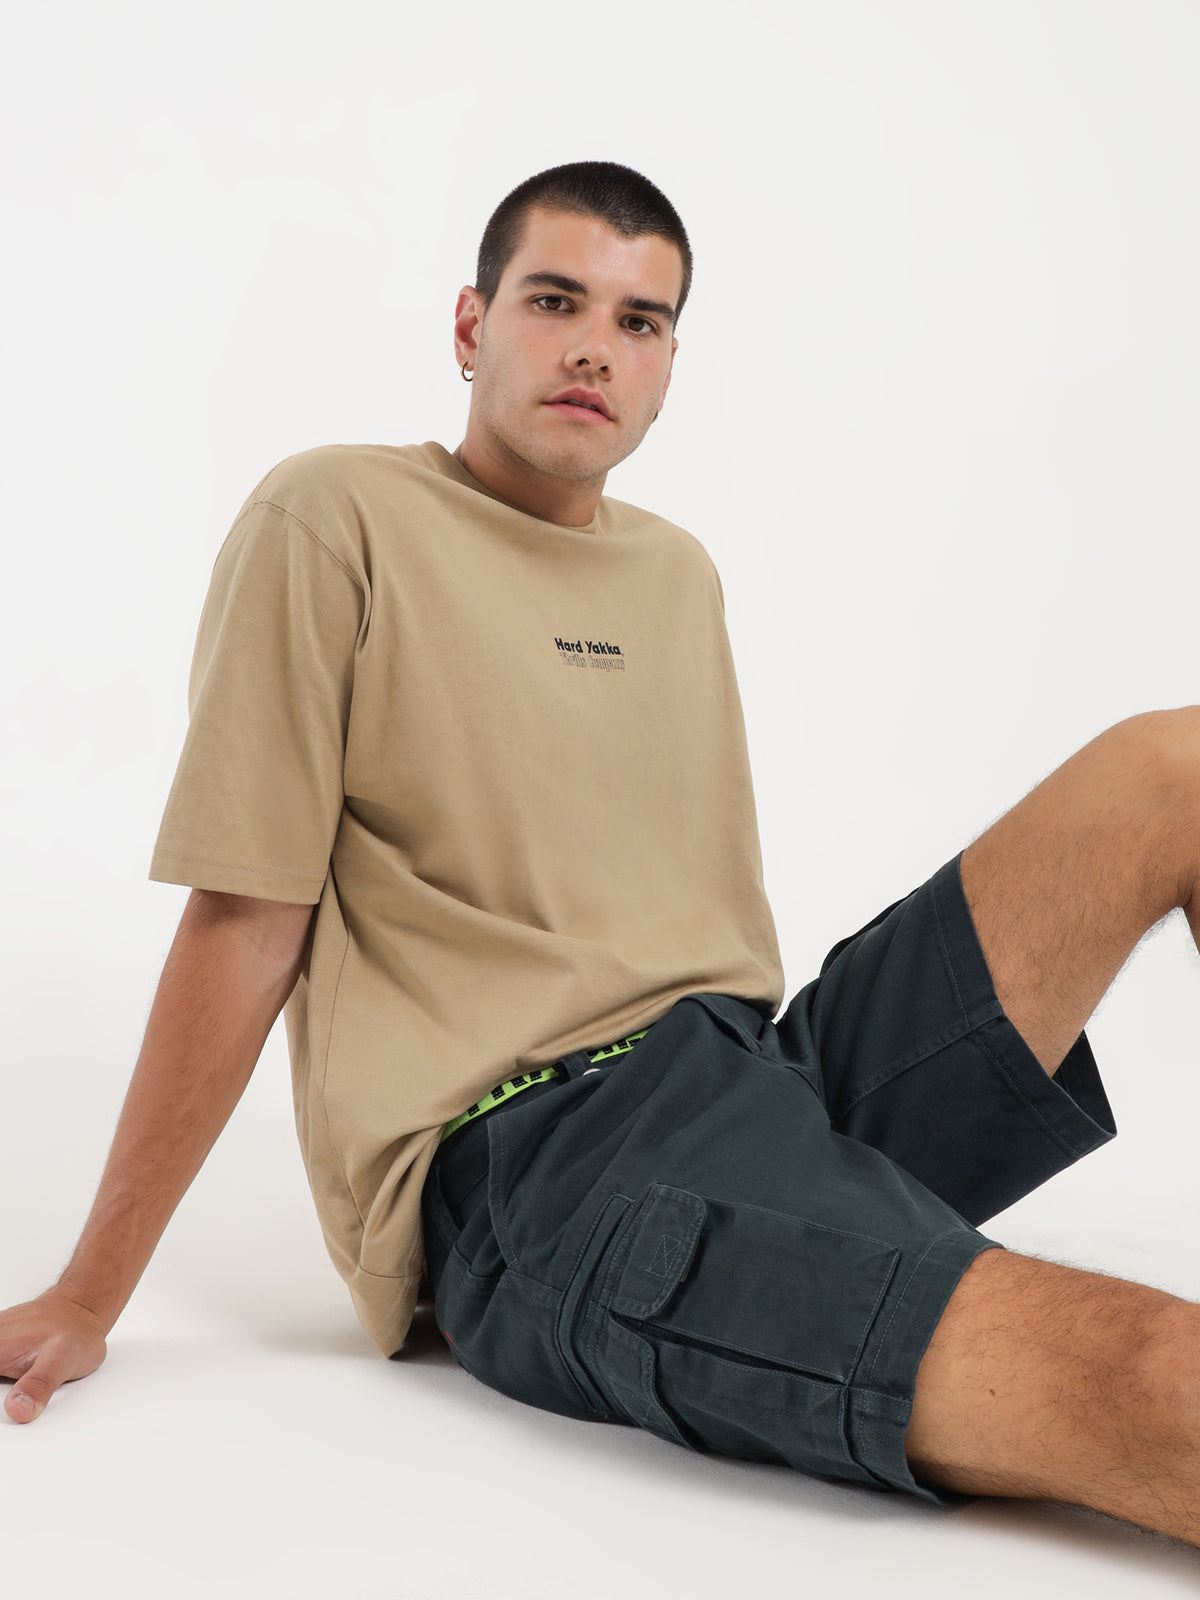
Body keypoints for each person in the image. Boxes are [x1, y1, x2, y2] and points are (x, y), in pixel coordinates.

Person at [2, 160, 1199, 1549]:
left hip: (763, 1083)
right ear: (471, 325)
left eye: (640, 321)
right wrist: (89, 1293)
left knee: (1170, 769)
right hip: (553, 1167)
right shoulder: (335, 517)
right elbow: (247, 912)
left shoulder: (674, 572)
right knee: (1153, 1380)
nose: (594, 348)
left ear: (669, 366)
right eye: (554, 301)